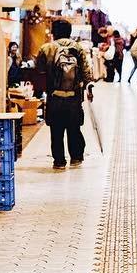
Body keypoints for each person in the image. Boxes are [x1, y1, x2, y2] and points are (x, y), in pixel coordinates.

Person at [36, 18, 95, 169]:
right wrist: (88, 88)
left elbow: (40, 72)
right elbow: (86, 72)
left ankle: (59, 161)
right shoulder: (78, 48)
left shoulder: (46, 48)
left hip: (54, 96)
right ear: (69, 32)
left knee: (56, 130)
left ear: (54, 32)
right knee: (74, 128)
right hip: (74, 97)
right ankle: (76, 157)